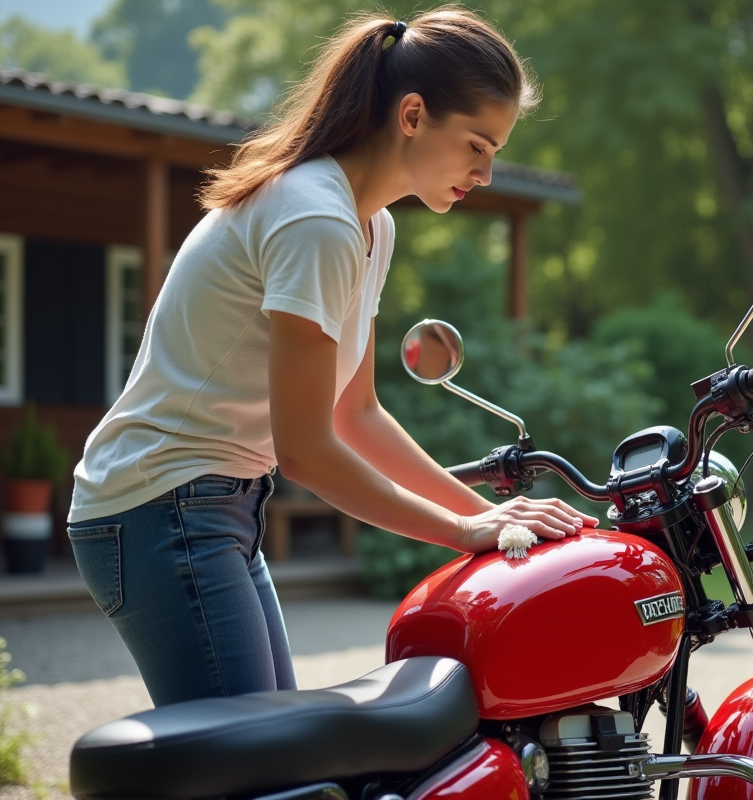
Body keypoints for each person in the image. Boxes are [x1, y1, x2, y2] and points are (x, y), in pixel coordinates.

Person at [66, 7, 597, 708]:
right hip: (162, 505)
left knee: (282, 755)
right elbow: (309, 452)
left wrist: (493, 521)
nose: (487, 173)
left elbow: (356, 412)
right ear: (412, 115)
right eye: (476, 145)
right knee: (256, 767)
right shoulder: (316, 218)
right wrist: (464, 529)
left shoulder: (367, 224)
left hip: (214, 506)